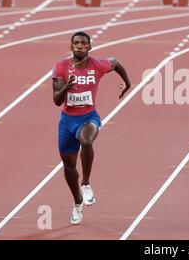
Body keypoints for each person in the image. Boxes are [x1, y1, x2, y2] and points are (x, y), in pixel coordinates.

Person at [52, 31, 131, 224]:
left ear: (89, 47)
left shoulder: (98, 65)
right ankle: (77, 201)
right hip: (67, 121)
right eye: (76, 43)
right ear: (71, 47)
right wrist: (65, 88)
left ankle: (86, 184)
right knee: (69, 168)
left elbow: (115, 62)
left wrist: (127, 83)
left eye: (83, 43)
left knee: (86, 141)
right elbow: (56, 100)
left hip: (88, 118)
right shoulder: (61, 67)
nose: (79, 46)